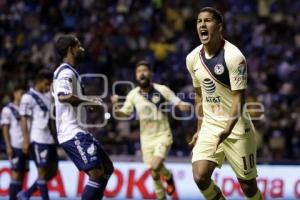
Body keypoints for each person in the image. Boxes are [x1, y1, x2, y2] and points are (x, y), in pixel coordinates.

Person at [187, 7, 262, 200]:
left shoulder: (234, 57)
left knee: (248, 186)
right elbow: (198, 95)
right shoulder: (192, 58)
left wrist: (228, 128)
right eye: (199, 21)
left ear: (219, 26)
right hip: (211, 127)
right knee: (200, 177)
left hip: (236, 128)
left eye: (208, 21)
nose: (202, 25)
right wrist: (199, 128)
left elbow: (239, 98)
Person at [111, 60, 190, 200]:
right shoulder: (133, 95)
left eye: (144, 70)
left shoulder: (162, 89)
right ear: (136, 76)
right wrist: (116, 105)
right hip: (146, 140)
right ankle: (163, 192)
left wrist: (183, 105)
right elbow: (124, 113)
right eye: (139, 71)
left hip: (162, 135)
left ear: (150, 74)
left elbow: (177, 101)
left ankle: (169, 176)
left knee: (155, 166)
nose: (142, 73)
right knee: (154, 173)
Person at [52, 34, 114, 200]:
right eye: (79, 46)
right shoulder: (65, 72)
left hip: (80, 130)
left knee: (107, 168)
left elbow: (73, 100)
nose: (82, 48)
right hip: (71, 132)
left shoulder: (72, 72)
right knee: (96, 173)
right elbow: (63, 96)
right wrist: (88, 100)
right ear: (70, 49)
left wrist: (89, 103)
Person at [17, 69, 58, 200]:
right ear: (39, 82)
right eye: (46, 84)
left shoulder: (46, 96)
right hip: (38, 139)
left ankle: (26, 193)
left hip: (50, 139)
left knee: (52, 171)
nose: (47, 87)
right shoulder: (28, 97)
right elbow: (24, 118)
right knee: (42, 171)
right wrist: (25, 139)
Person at [0, 85, 27, 200]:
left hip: (24, 146)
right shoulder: (8, 109)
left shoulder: (23, 109)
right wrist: (8, 146)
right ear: (15, 93)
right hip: (15, 146)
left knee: (21, 175)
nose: (23, 96)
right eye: (21, 93)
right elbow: (5, 128)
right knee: (15, 175)